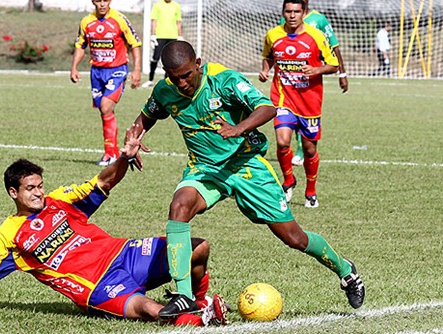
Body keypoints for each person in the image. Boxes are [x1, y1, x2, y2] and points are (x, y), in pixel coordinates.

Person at [128, 39, 365, 319]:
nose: (180, 83)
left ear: (198, 64)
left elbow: (267, 108)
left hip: (246, 166)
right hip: (205, 169)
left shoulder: (225, 80)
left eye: (186, 75)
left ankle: (346, 271)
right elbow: (149, 114)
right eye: (173, 77)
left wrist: (238, 128)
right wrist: (134, 136)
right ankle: (184, 295)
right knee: (179, 206)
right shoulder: (166, 90)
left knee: (294, 237)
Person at [0, 126, 228, 327]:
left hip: (125, 254)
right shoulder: (8, 236)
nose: (38, 193)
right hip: (98, 285)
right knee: (149, 309)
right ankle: (200, 321)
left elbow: (103, 183)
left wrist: (125, 157)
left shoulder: (59, 201)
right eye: (30, 189)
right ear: (13, 193)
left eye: (40, 186)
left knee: (197, 247)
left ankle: (199, 302)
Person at [259, 0, 338, 208]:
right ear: (283, 12)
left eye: (296, 11)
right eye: (288, 11)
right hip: (283, 97)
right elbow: (268, 56)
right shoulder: (273, 35)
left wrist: (317, 70)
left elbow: (333, 64)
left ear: (304, 13)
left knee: (309, 149)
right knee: (283, 141)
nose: (292, 15)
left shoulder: (316, 36)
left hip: (310, 101)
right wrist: (266, 70)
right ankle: (288, 181)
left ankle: (310, 191)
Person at [70, 0, 142, 167]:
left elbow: (135, 44)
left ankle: (111, 154)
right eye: (98, 0)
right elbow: (80, 45)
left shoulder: (120, 19)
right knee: (104, 112)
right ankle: (112, 152)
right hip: (96, 72)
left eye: (105, 0)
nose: (102, 4)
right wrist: (74, 67)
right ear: (93, 1)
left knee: (106, 107)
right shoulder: (86, 22)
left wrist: (136, 69)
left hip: (117, 70)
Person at [278, 0, 349, 166]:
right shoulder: (286, 19)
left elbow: (334, 46)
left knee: (305, 117)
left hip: (311, 81)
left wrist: (342, 73)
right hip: (289, 80)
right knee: (290, 115)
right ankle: (298, 151)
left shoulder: (319, 19)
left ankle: (303, 150)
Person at [141, 0, 183, 88]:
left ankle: (167, 80)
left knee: (170, 60)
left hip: (172, 36)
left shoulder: (176, 6)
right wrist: (153, 35)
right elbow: (154, 21)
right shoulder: (157, 5)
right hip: (160, 36)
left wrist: (180, 36)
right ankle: (150, 79)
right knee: (155, 57)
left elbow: (178, 22)